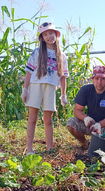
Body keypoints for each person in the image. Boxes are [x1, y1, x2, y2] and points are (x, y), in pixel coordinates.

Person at [21, 22, 69, 155]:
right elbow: (29, 72)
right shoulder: (36, 52)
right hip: (36, 85)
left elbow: (63, 76)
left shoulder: (62, 56)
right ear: (42, 37)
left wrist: (63, 95)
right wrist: (25, 89)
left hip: (51, 87)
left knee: (48, 120)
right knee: (32, 118)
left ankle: (49, 148)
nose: (49, 36)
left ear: (56, 35)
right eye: (46, 34)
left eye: (51, 33)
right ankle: (29, 149)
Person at [66, 65, 105, 149]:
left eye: (103, 79)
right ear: (92, 79)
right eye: (97, 79)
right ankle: (85, 144)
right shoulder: (85, 90)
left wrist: (99, 124)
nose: (99, 82)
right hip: (90, 124)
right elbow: (77, 110)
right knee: (71, 123)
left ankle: (100, 146)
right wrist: (86, 118)